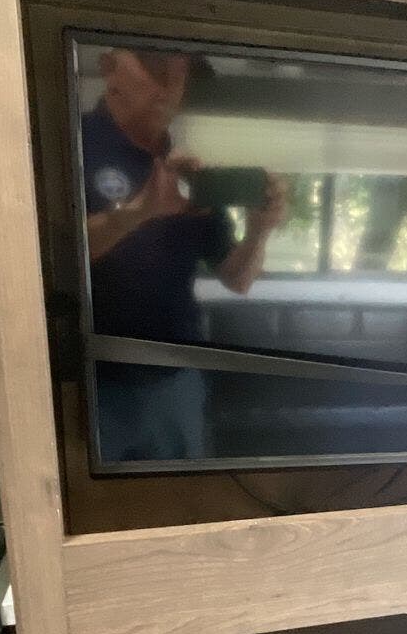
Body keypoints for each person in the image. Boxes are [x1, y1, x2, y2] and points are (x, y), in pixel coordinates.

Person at [81, 48, 286, 461]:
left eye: (182, 78)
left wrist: (259, 231)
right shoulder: (70, 141)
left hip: (176, 379)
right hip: (92, 380)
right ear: (110, 69)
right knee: (88, 497)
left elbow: (238, 279)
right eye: (156, 68)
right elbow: (46, 255)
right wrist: (137, 213)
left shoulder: (190, 174)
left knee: (181, 496)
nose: (171, 89)